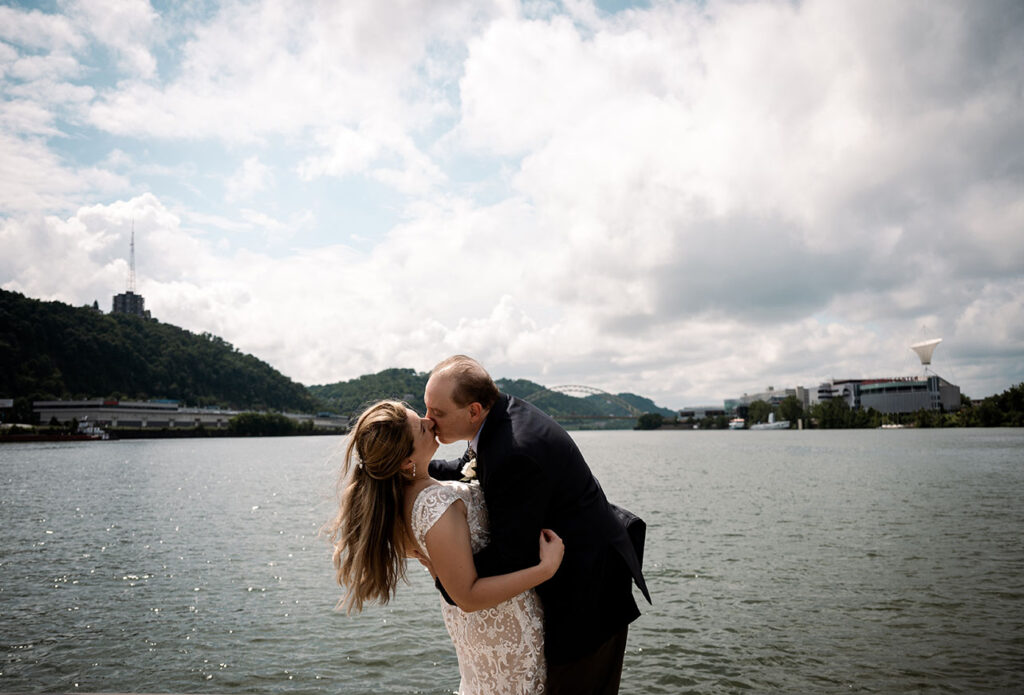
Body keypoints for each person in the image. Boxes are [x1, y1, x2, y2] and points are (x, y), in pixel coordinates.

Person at [426, 355, 651, 695]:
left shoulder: (514, 451)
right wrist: (415, 473)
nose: (429, 421)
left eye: (437, 413)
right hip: (580, 576)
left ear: (473, 410)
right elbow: (466, 467)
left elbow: (511, 555)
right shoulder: (499, 416)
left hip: (588, 597)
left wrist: (449, 578)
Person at [326, 399, 564, 694]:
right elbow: (467, 595)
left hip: (477, 627)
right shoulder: (434, 503)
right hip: (501, 624)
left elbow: (447, 573)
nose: (430, 423)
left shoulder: (395, 499)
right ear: (405, 462)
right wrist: (546, 568)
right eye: (421, 429)